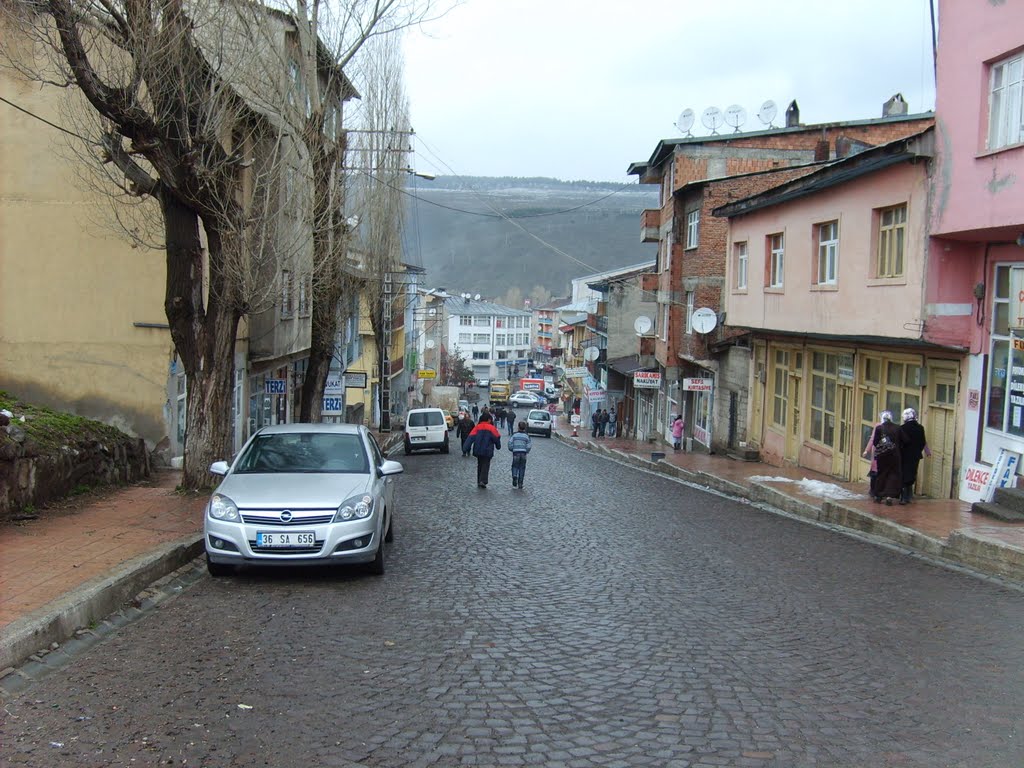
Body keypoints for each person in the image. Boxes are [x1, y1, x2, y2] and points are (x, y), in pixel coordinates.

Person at [863, 410, 903, 505]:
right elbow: (903, 440)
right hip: (894, 456)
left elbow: (875, 441)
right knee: (892, 475)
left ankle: (879, 496)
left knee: (881, 475)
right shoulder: (897, 428)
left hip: (881, 455)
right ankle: (889, 496)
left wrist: (873, 449)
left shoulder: (879, 427)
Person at [898, 407, 930, 504]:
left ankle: (904, 497)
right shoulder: (920, 428)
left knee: (903, 474)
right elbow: (922, 442)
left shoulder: (902, 428)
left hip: (904, 455)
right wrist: (918, 451)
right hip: (915, 455)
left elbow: (900, 442)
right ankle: (909, 496)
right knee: (912, 473)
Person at [463, 412, 502, 488]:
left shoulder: (477, 427)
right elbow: (496, 438)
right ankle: (483, 480)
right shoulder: (492, 428)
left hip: (477, 449)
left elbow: (470, 438)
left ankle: (479, 480)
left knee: (480, 464)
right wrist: (498, 446)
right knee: (485, 465)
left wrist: (465, 448)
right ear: (489, 420)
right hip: (488, 450)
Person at [509, 420, 533, 489]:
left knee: (514, 466)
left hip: (516, 453)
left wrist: (512, 449)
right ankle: (520, 483)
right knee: (522, 468)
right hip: (523, 453)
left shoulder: (514, 435)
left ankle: (514, 476)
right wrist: (526, 450)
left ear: (518, 427)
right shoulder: (526, 436)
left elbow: (510, 443)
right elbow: (529, 445)